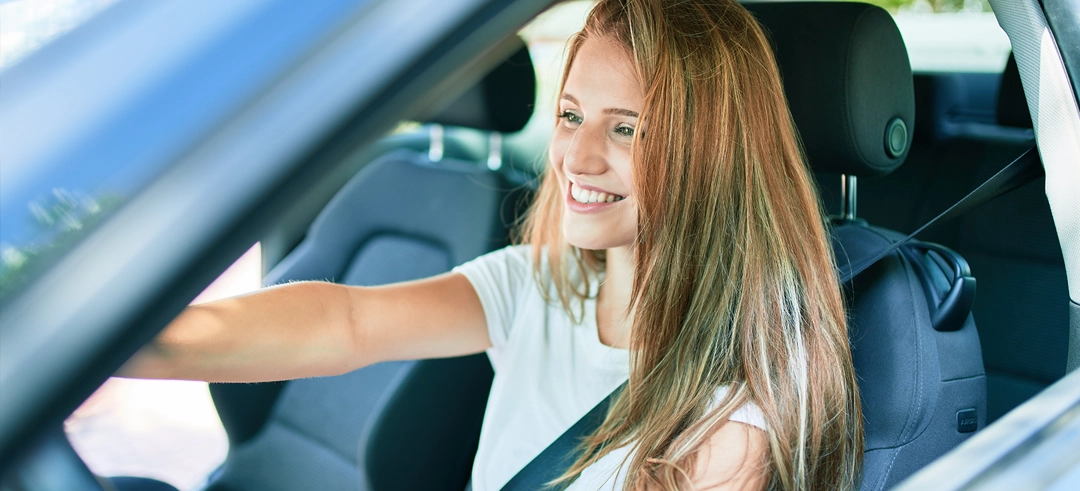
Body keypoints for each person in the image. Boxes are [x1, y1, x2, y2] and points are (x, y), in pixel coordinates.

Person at [121, 0, 863, 489]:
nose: (576, 157)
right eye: (570, 116)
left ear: (710, 151)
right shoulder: (542, 287)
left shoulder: (736, 402)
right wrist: (131, 342)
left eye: (626, 128)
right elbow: (347, 322)